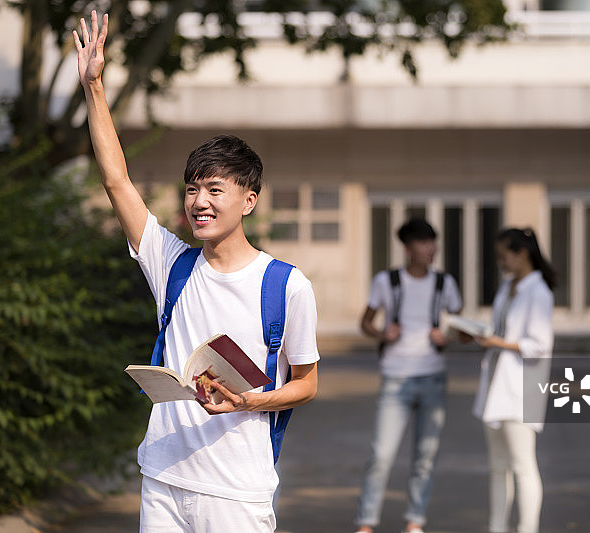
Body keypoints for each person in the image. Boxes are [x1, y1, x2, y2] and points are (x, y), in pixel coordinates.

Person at [73, 12, 319, 532]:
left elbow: (306, 383)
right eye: (192, 189)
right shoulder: (173, 263)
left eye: (215, 190)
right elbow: (117, 181)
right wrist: (95, 86)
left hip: (236, 492)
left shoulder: (285, 285)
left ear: (248, 200)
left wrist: (250, 401)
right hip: (162, 476)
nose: (199, 202)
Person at [355, 218, 462, 533]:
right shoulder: (387, 281)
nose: (431, 249)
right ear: (407, 247)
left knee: (425, 456)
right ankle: (366, 522)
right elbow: (365, 322)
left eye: (433, 242)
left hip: (433, 377)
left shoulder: (445, 284)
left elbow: (462, 328)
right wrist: (382, 333)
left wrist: (448, 336)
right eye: (424, 243)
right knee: (381, 454)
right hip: (396, 377)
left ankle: (415, 520)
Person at [471, 227, 556, 533]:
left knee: (522, 466)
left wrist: (498, 342)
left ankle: (527, 528)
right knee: (497, 467)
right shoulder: (508, 287)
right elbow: (499, 329)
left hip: (521, 389)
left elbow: (540, 345)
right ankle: (497, 527)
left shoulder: (539, 292)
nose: (501, 263)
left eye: (504, 256)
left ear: (522, 253)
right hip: (497, 386)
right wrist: (483, 336)